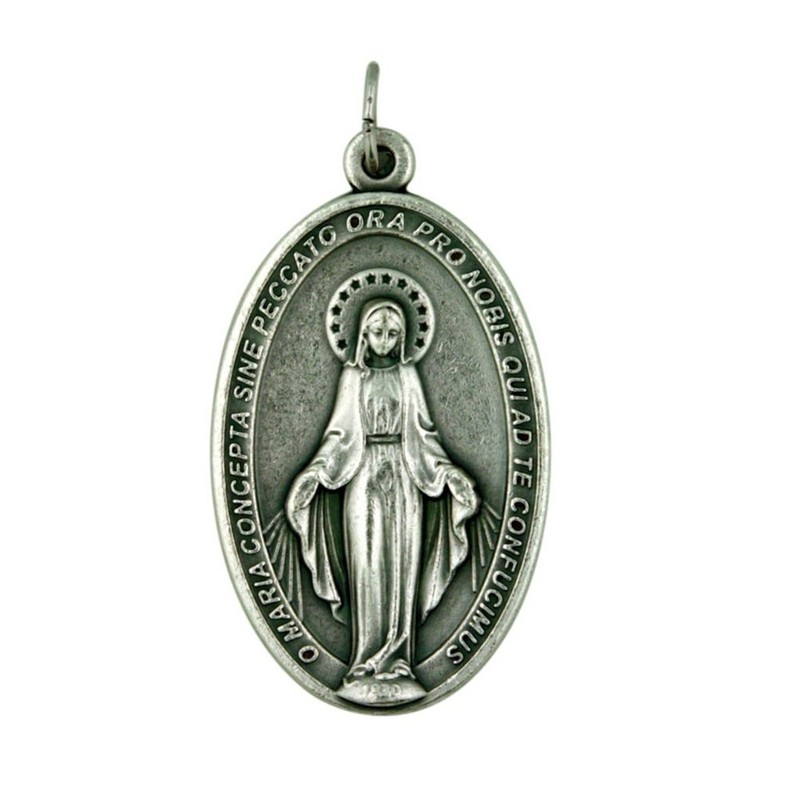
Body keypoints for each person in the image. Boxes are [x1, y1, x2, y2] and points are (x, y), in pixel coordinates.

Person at [285, 298, 480, 700]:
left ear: (403, 337)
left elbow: (424, 435)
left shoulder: (408, 376)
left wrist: (448, 473)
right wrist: (315, 473)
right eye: (378, 333)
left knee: (402, 564)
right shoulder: (353, 378)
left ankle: (400, 659)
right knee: (369, 564)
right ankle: (364, 660)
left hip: (406, 478)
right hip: (363, 475)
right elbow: (339, 436)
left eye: (393, 334)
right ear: (363, 335)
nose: (385, 341)